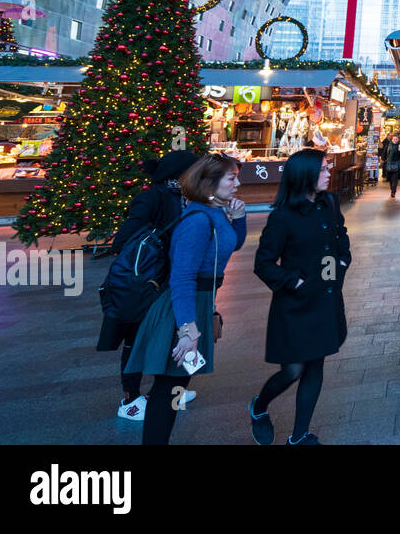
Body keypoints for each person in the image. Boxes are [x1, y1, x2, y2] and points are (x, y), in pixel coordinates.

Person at [125, 154, 247, 445]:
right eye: (231, 178)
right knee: (168, 389)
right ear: (209, 183)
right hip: (183, 308)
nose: (238, 183)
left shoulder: (214, 212)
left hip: (199, 303)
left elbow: (231, 243)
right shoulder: (198, 219)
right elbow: (182, 278)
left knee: (173, 386)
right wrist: (187, 329)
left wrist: (240, 219)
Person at [250, 149, 350, 445]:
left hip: (326, 299)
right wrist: (293, 281)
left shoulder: (329, 202)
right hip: (295, 305)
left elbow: (339, 234)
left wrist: (342, 261)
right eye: (322, 169)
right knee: (293, 369)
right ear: (304, 174)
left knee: (316, 364)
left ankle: (299, 435)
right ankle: (259, 406)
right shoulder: (283, 217)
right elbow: (263, 263)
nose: (328, 173)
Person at [98, 149, 198, 422]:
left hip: (173, 280)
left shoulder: (189, 198)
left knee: (171, 338)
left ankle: (171, 393)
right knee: (135, 339)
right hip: (146, 283)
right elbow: (124, 241)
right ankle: (129, 399)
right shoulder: (153, 197)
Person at [382, 133, 400, 198]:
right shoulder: (388, 145)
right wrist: (383, 159)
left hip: (396, 164)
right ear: (392, 140)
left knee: (395, 178)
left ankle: (393, 191)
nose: (395, 140)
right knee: (390, 178)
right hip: (389, 164)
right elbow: (384, 153)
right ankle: (392, 188)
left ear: (398, 140)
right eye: (394, 139)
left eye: (396, 139)